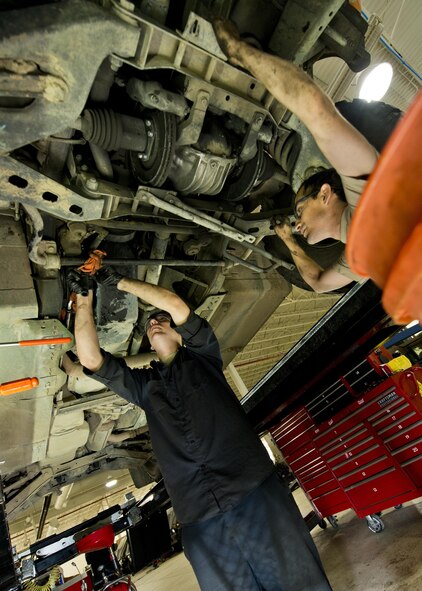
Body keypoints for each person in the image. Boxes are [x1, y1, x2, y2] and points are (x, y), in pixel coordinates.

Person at [69, 267, 333, 591]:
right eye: (151, 322)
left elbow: (176, 306)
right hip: (200, 518)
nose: (155, 322)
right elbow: (91, 359)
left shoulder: (204, 354)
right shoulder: (145, 388)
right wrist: (83, 298)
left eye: (162, 320)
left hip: (252, 492)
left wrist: (120, 282)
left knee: (299, 580)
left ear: (181, 334)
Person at [213, 19, 379, 293]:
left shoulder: (362, 252)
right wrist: (239, 50)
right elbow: (319, 112)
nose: (297, 220)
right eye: (300, 209)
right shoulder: (372, 205)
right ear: (325, 194)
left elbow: (318, 284)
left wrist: (290, 241)